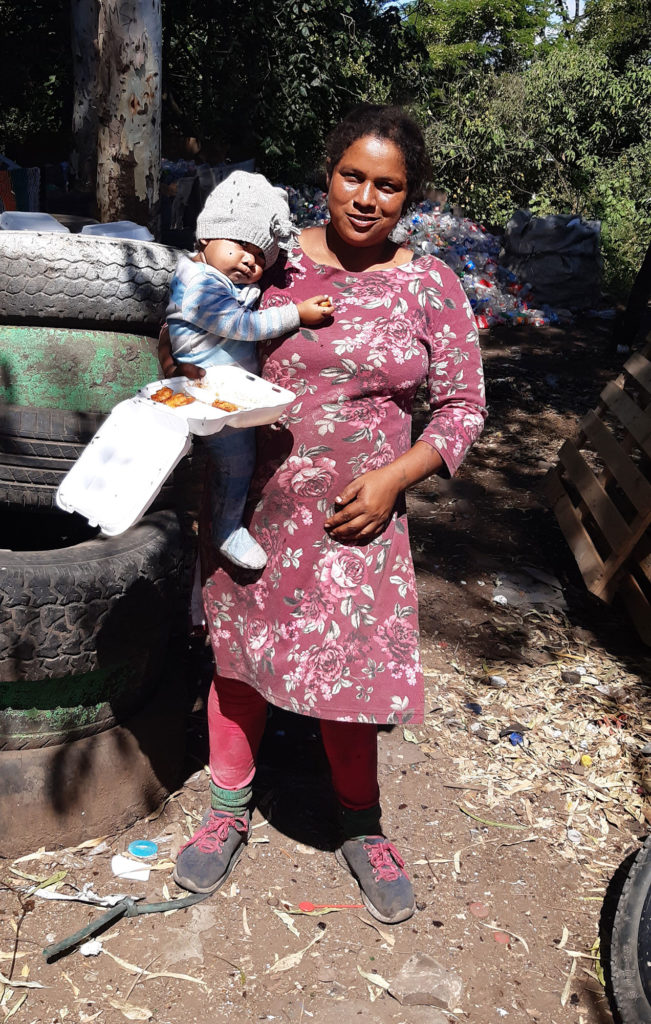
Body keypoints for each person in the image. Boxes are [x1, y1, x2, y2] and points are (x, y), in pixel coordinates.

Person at [161, 105, 486, 925]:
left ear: (411, 197)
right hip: (254, 500)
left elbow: (461, 409)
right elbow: (196, 329)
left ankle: (359, 825)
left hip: (361, 517)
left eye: (389, 186)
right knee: (240, 663)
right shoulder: (268, 265)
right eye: (352, 177)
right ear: (326, 174)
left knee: (354, 674)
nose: (367, 198)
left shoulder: (431, 285)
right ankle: (228, 809)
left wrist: (393, 480)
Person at [166, 170, 333, 570]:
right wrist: (296, 314)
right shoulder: (198, 283)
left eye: (260, 258)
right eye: (241, 246)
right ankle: (226, 531)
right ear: (206, 236)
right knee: (236, 463)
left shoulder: (215, 275)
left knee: (221, 467)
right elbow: (240, 325)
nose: (249, 260)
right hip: (210, 399)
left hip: (222, 395)